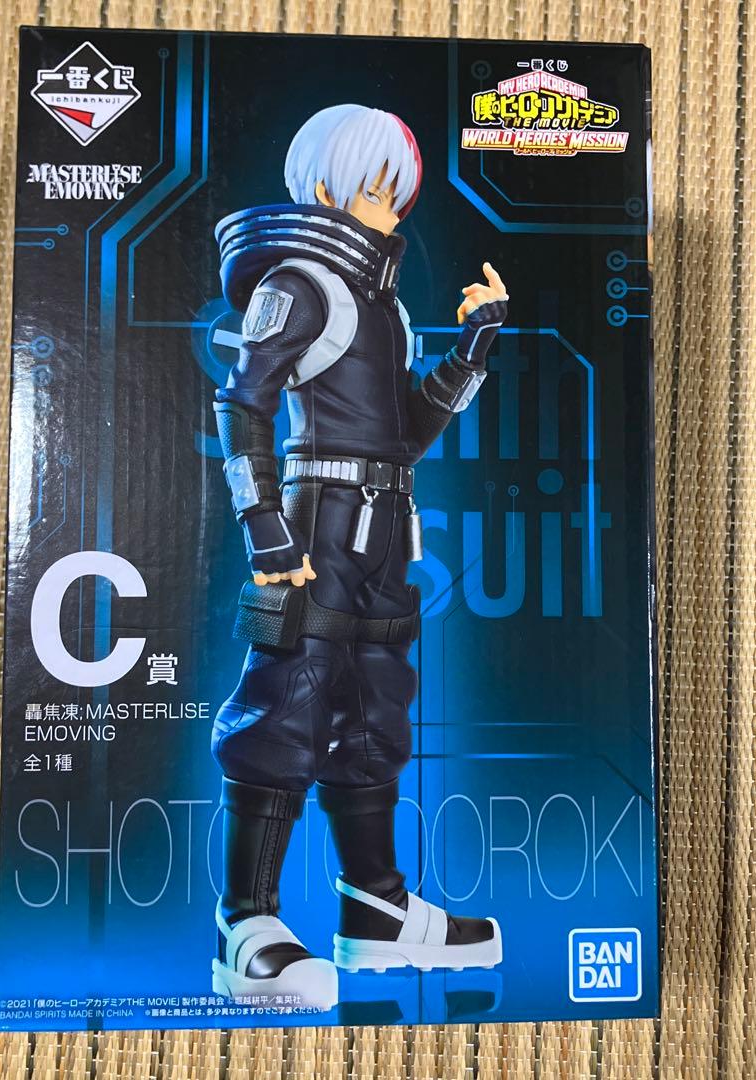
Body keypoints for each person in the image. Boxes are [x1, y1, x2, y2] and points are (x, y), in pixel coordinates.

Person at [210, 104, 508, 1009]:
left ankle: (375, 907)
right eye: (376, 189)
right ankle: (244, 922)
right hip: (316, 522)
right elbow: (244, 403)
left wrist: (471, 351)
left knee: (374, 707)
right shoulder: (301, 283)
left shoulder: (383, 305)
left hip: (385, 524)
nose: (389, 209)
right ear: (327, 183)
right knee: (287, 700)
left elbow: (402, 435)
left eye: (396, 194)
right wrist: (264, 526)